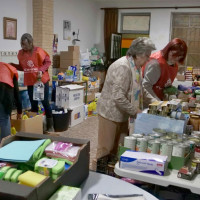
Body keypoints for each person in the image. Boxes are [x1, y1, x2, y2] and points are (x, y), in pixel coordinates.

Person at [94, 37, 156, 168]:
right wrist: (136, 111)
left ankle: (113, 174)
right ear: (138, 54)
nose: (148, 59)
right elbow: (118, 96)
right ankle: (99, 173)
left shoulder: (136, 66)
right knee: (106, 148)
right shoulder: (123, 66)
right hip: (110, 112)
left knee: (120, 147)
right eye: (147, 56)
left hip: (123, 113)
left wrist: (155, 102)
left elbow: (141, 89)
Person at [10, 33, 54, 132]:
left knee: (45, 102)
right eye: (22, 45)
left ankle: (50, 126)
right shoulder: (20, 54)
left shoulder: (38, 51)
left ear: (31, 43)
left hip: (41, 81)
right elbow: (23, 67)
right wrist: (13, 65)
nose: (23, 47)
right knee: (33, 104)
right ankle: (35, 125)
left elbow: (48, 62)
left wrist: (41, 70)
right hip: (30, 82)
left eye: (25, 44)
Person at [142, 38, 188, 108]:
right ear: (168, 50)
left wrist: (174, 92)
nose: (176, 59)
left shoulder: (174, 65)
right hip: (147, 101)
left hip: (159, 100)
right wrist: (158, 103)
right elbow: (145, 86)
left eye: (179, 56)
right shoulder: (156, 64)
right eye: (173, 55)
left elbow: (165, 83)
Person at [0, 62, 22, 141]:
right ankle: (5, 147)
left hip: (4, 92)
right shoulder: (11, 70)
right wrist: (19, 112)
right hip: (4, 93)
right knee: (4, 119)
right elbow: (16, 93)